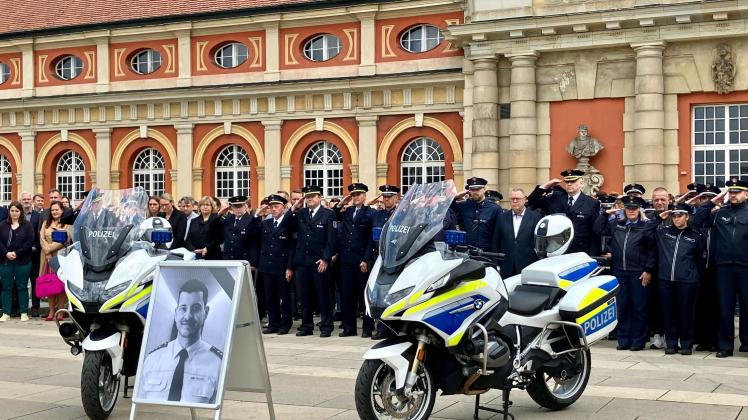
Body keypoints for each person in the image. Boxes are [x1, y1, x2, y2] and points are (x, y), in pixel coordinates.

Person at [138, 279, 222, 404]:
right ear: (176, 312)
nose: (188, 316)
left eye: (196, 308)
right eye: (183, 308)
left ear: (206, 312)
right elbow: (141, 408)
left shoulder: (218, 364)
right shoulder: (152, 359)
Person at [593, 195, 656, 351]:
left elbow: (653, 250)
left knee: (639, 308)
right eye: (628, 208)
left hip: (638, 272)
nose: (631, 211)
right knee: (622, 307)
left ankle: (638, 341)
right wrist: (605, 214)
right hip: (620, 271)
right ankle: (623, 339)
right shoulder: (617, 224)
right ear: (624, 209)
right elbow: (598, 229)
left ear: (639, 209)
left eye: (634, 209)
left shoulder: (646, 226)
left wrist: (648, 269)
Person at [699, 178, 748, 358]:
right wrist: (712, 201)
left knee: (747, 307)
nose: (733, 195)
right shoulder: (720, 213)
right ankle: (725, 346)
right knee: (724, 307)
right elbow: (698, 220)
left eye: (737, 192)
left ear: (746, 194)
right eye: (731, 192)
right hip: (723, 267)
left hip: (745, 267)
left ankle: (746, 343)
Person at [652, 203, 705, 355]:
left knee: (686, 313)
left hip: (687, 281)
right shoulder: (664, 232)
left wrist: (693, 275)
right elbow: (647, 231)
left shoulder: (696, 235)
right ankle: (671, 344)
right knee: (669, 313)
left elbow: (700, 258)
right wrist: (658, 218)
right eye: (674, 216)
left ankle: (686, 344)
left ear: (687, 217)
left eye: (680, 215)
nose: (676, 219)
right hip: (665, 279)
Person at [292, 184, 336, 337]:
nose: (310, 199)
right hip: (303, 261)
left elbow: (331, 240)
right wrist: (293, 208)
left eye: (313, 196)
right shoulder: (301, 213)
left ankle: (326, 326)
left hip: (319, 261)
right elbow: (289, 226)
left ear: (319, 198)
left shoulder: (328, 214)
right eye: (308, 197)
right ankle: (306, 325)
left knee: (323, 295)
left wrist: (325, 259)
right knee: (305, 295)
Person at [334, 183, 375, 338]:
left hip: (361, 260)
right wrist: (342, 202)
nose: (356, 197)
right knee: (347, 295)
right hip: (346, 259)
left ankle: (367, 327)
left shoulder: (370, 213)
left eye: (358, 194)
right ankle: (349, 328)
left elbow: (370, 239)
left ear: (364, 196)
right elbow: (334, 213)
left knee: (363, 296)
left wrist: (366, 259)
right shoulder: (347, 211)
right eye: (353, 195)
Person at [528, 169, 601, 255]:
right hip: (556, 248)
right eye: (567, 182)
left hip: (579, 251)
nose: (569, 184)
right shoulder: (555, 198)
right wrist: (546, 186)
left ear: (581, 183)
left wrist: (593, 255)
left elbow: (595, 231)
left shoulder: (591, 203)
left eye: (573, 181)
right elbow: (532, 201)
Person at [259, 194, 296, 335]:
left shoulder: (288, 223)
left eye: (276, 206)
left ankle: (285, 324)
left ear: (284, 208)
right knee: (270, 296)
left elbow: (292, 247)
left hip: (282, 266)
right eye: (271, 207)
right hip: (268, 265)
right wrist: (258, 214)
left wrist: (289, 267)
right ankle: (273, 323)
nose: (273, 209)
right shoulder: (266, 223)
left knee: (284, 296)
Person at [491, 188, 543, 278]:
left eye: (517, 199)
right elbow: (496, 241)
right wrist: (496, 264)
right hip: (506, 265)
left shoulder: (535, 217)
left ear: (525, 199)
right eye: (512, 199)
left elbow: (540, 243)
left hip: (528, 264)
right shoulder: (502, 217)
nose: (515, 201)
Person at [0, 202, 35, 322]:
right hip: (5, 261)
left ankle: (24, 312)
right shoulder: (2, 225)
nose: (14, 213)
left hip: (23, 261)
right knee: (6, 287)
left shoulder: (27, 225)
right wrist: (6, 253)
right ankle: (6, 312)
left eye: (17, 211)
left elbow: (29, 242)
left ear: (21, 212)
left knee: (22, 287)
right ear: (9, 212)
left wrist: (17, 253)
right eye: (12, 211)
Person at [39, 201, 73, 321]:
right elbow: (41, 237)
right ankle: (51, 311)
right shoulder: (45, 223)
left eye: (57, 209)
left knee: (60, 285)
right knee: (49, 284)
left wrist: (49, 248)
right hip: (46, 258)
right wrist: (46, 250)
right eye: (52, 210)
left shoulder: (67, 224)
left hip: (60, 256)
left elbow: (65, 238)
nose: (54, 212)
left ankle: (60, 311)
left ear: (62, 210)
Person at [450, 177, 501, 252]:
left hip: (487, 251)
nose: (474, 192)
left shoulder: (494, 208)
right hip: (467, 250)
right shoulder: (464, 206)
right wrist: (455, 197)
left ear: (484, 189)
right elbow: (447, 207)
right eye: (472, 190)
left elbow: (499, 232)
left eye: (477, 189)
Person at [20, 192, 42, 317]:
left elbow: (39, 234)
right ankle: (19, 307)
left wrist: (35, 247)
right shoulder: (16, 214)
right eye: (25, 199)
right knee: (20, 282)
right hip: (20, 255)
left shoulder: (37, 216)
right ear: (21, 200)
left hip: (34, 254)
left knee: (35, 281)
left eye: (29, 199)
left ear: (32, 201)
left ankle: (35, 307)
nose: (27, 201)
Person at [220, 195, 259, 264]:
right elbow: (214, 228)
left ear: (245, 206)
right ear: (231, 208)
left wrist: (253, 262)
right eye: (235, 207)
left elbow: (254, 243)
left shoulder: (251, 220)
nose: (238, 209)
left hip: (244, 260)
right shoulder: (228, 219)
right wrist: (220, 214)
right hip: (228, 259)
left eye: (240, 206)